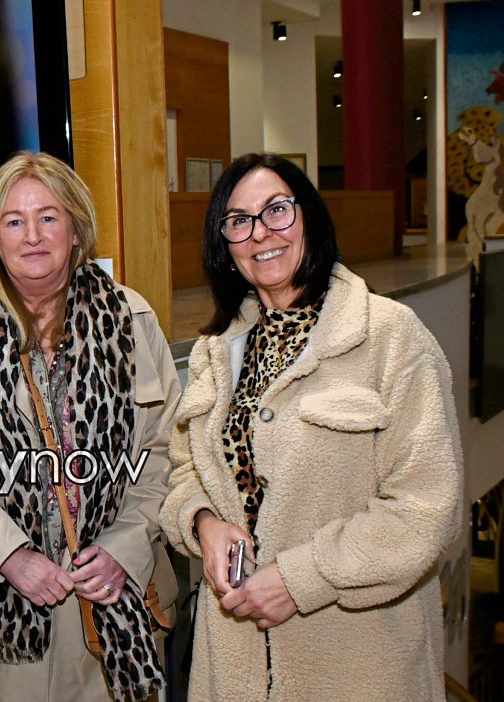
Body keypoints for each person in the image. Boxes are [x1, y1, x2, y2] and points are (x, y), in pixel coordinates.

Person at [158, 153, 464, 701]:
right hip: (234, 668)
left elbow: (426, 508)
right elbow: (182, 471)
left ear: (311, 218)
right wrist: (201, 522)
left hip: (360, 668)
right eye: (239, 221)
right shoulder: (214, 352)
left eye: (277, 210)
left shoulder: (390, 337)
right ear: (225, 246)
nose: (261, 233)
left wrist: (303, 578)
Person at [0, 152, 181, 702]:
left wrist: (124, 548)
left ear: (76, 231)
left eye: (48, 217)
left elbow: (168, 449)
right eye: (14, 221)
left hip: (110, 601)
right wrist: (9, 555)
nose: (32, 235)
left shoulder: (132, 317)